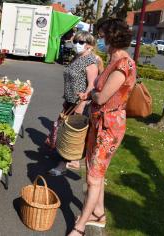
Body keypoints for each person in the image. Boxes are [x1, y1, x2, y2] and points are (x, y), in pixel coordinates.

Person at [69, 18, 136, 236]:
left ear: (111, 37)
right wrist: (90, 94)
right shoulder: (112, 60)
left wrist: (93, 96)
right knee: (94, 171)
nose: (98, 40)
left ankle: (80, 226)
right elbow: (99, 91)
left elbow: (103, 96)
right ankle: (98, 214)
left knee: (93, 177)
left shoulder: (123, 64)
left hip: (109, 127)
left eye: (101, 35)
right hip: (98, 122)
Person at [47, 31, 102, 176]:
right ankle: (69, 158)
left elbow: (91, 86)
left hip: (80, 103)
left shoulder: (91, 62)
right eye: (76, 41)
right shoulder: (77, 58)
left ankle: (63, 165)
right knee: (64, 129)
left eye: (81, 42)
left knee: (72, 134)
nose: (77, 45)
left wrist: (82, 103)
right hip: (70, 100)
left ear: (89, 46)